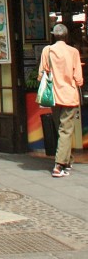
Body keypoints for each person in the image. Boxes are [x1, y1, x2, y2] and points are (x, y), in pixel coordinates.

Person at [38, 22, 84, 177]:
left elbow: (41, 74)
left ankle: (68, 160)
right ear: (66, 36)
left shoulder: (47, 50)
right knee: (65, 130)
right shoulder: (73, 52)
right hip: (69, 96)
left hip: (53, 97)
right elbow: (79, 78)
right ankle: (59, 165)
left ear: (54, 35)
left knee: (61, 128)